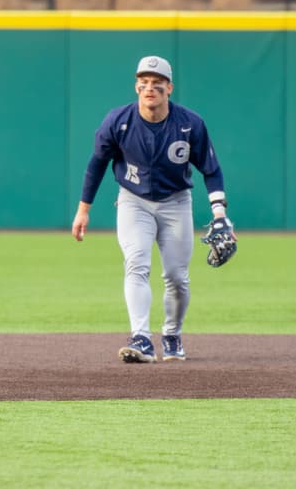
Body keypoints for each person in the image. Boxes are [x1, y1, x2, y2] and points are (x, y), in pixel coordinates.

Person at [71, 55, 235, 363]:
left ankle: (172, 334)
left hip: (176, 201)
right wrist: (84, 209)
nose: (150, 89)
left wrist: (219, 213)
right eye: (144, 83)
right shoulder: (118, 121)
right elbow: (96, 164)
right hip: (133, 201)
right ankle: (142, 338)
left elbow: (211, 170)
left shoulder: (189, 124)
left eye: (157, 84)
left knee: (176, 276)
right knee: (136, 264)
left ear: (169, 88)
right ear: (136, 87)